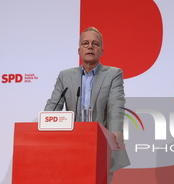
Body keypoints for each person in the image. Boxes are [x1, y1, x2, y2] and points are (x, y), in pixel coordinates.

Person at [44, 27, 130, 173]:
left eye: (95, 44)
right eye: (85, 43)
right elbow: (53, 106)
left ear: (101, 51)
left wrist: (116, 130)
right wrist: (44, 124)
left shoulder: (113, 74)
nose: (90, 46)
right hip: (71, 146)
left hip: (103, 147)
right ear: (79, 51)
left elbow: (116, 105)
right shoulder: (65, 76)